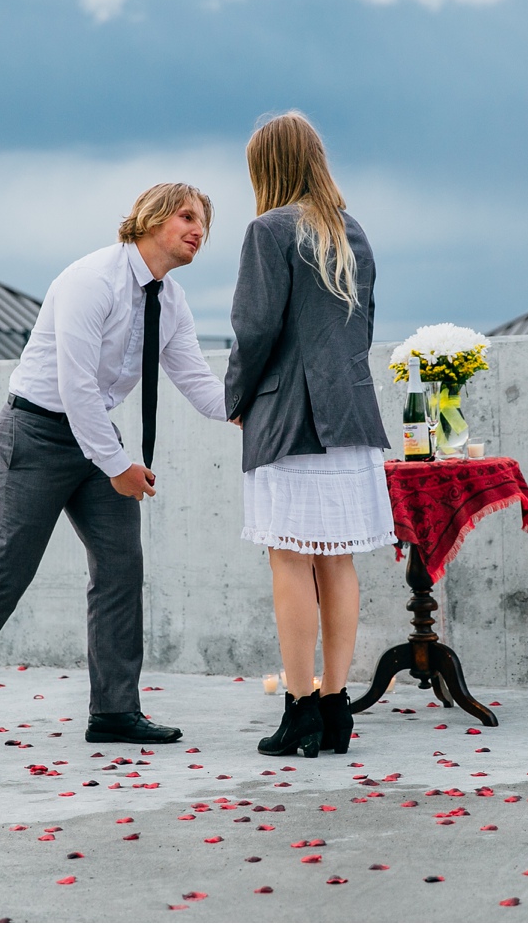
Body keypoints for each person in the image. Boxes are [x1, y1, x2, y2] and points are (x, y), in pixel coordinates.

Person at [0, 183, 227, 749]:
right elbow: (74, 386)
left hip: (96, 437)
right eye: (187, 216)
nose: (199, 229)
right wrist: (119, 466)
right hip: (36, 433)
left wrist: (257, 410)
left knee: (120, 571)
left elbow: (197, 382)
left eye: (205, 222)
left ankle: (114, 712)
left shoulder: (169, 301)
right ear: (151, 219)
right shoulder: (91, 280)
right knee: (8, 571)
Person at [224, 112, 394, 758]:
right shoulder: (354, 232)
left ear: (268, 166)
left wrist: (238, 398)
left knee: (289, 556)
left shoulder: (267, 231)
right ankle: (335, 706)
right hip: (351, 416)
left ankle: (298, 712)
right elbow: (365, 328)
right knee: (338, 559)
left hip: (290, 418)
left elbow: (254, 331)